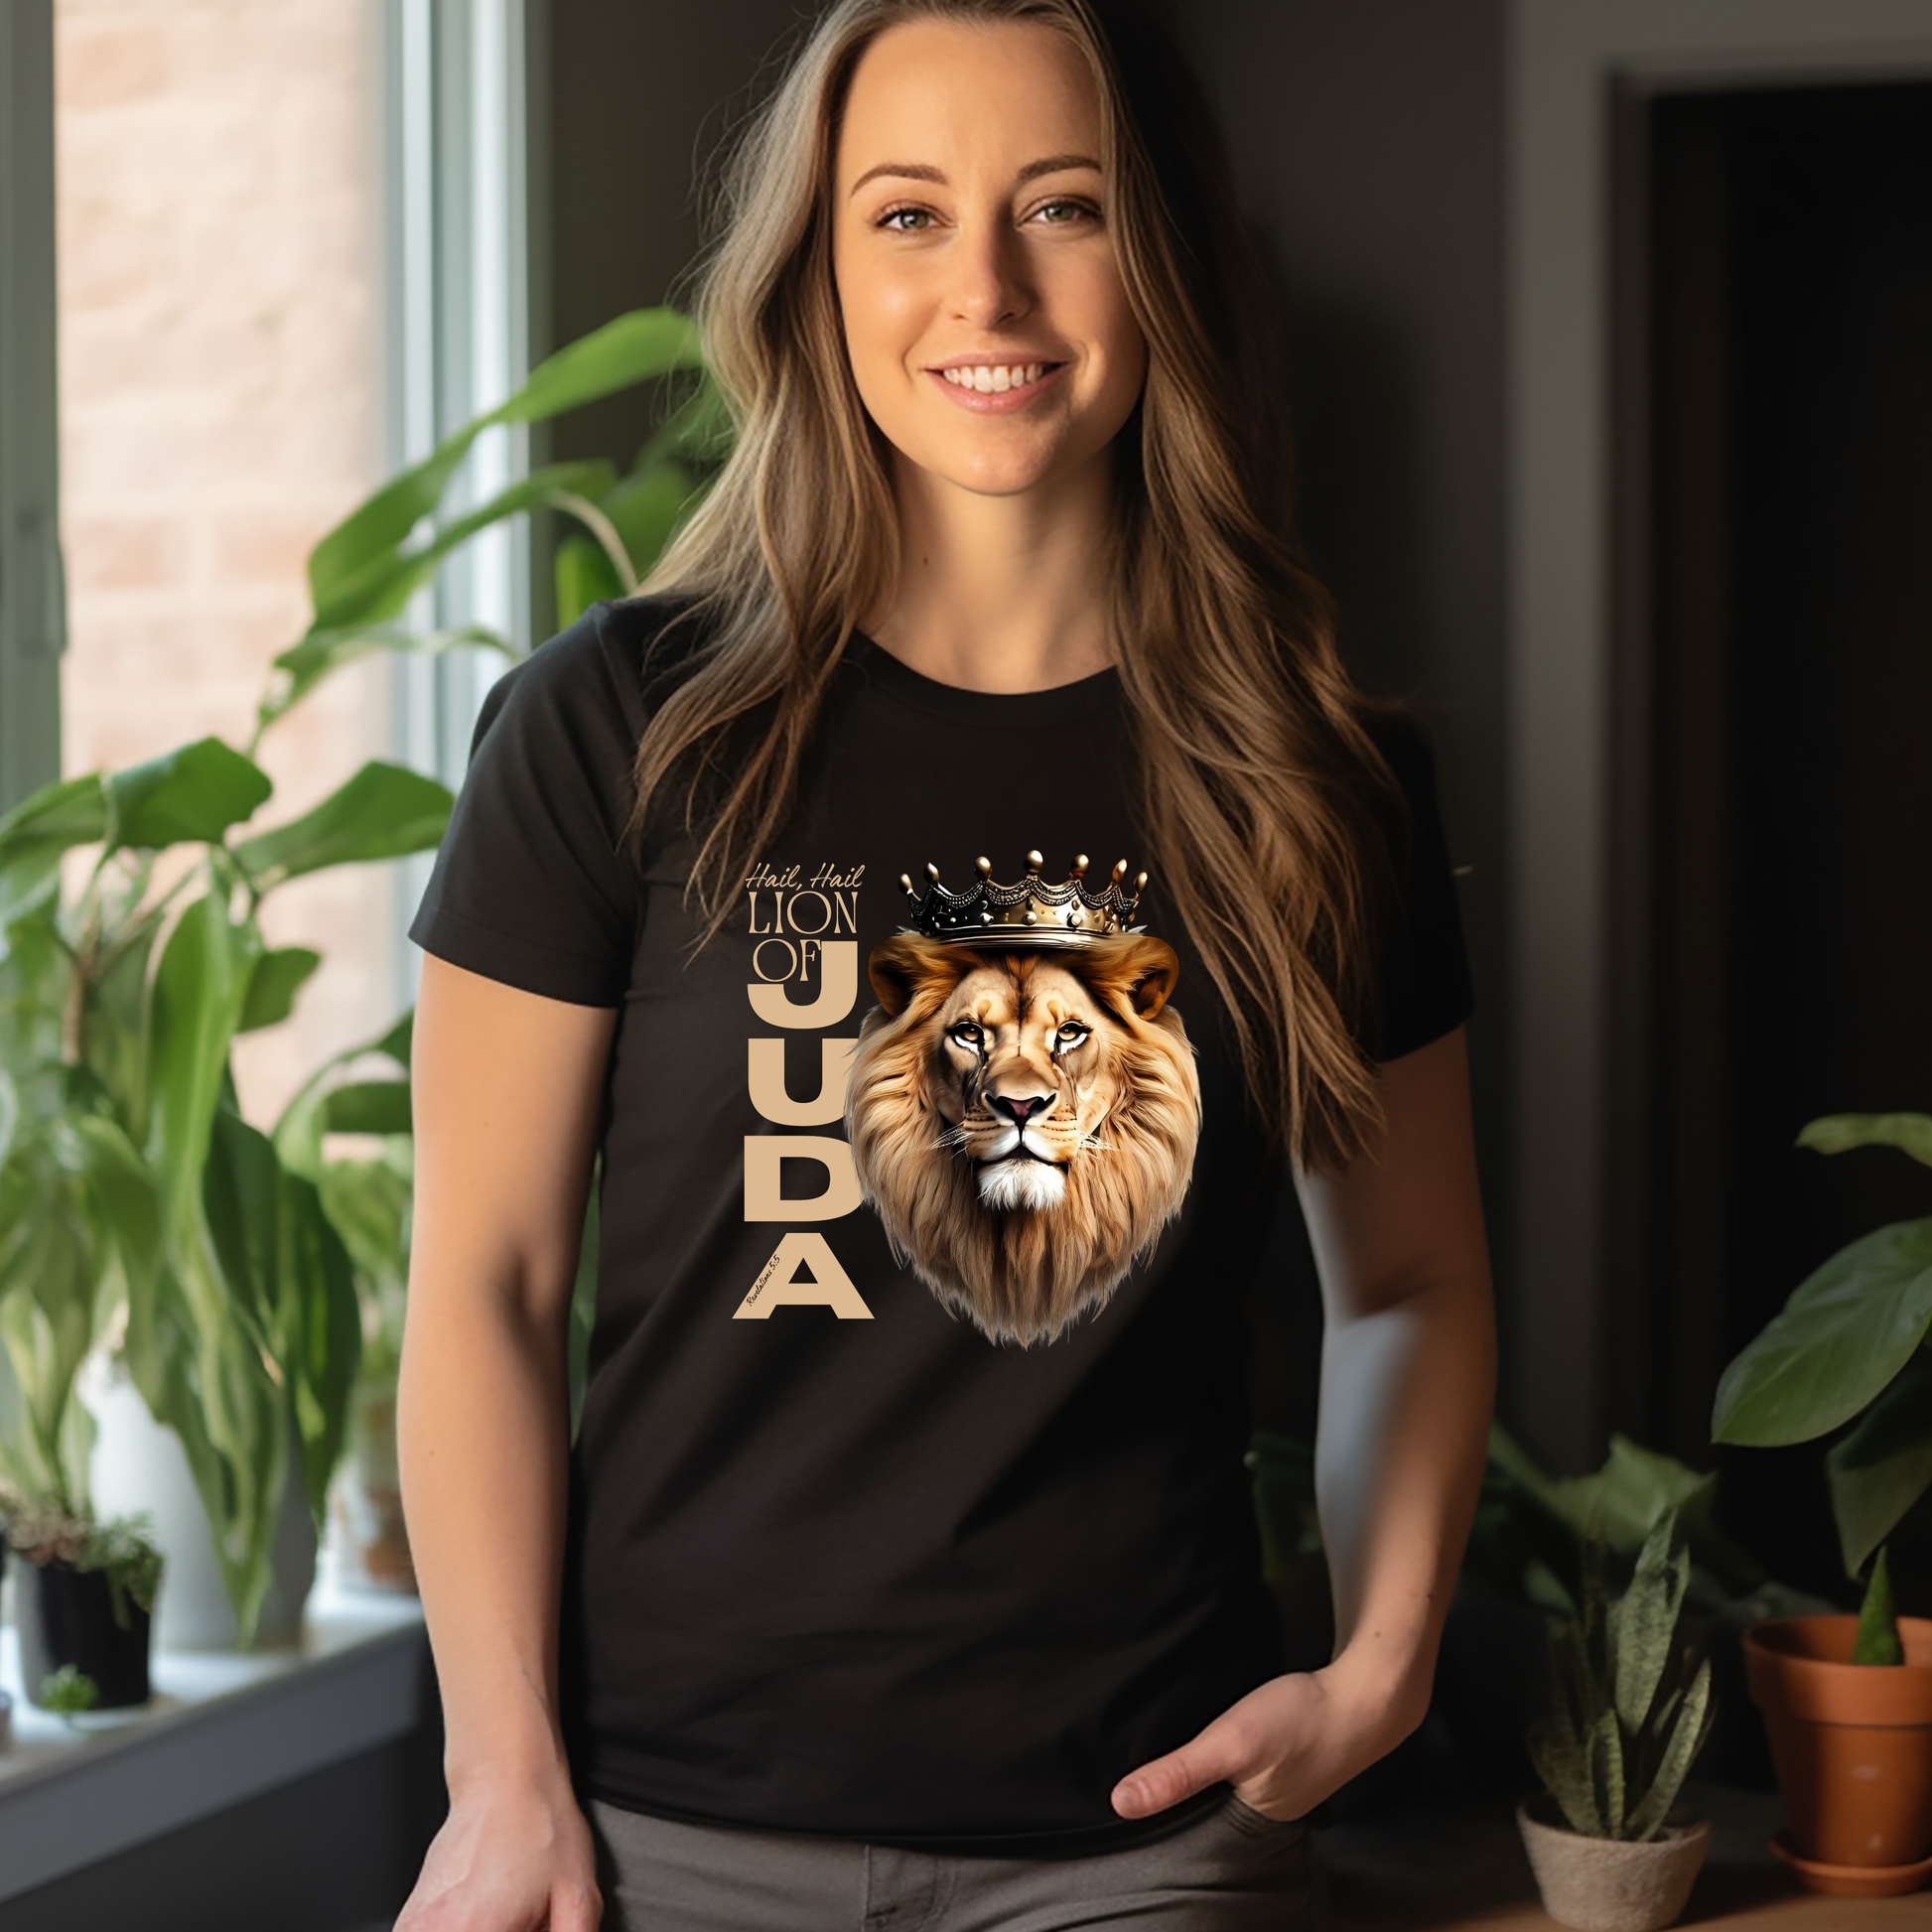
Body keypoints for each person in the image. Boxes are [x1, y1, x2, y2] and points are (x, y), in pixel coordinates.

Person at [393, 2, 1496, 1927]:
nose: (984, 284)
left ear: (1158, 255)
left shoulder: (1320, 778)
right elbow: (484, 1279)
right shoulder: (615, 730)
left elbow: (1404, 1275)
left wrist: (1381, 1663)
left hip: (1142, 1829)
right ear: (816, 274)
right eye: (904, 213)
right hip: (660, 1822)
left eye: (1060, 205)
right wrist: (503, 1784)